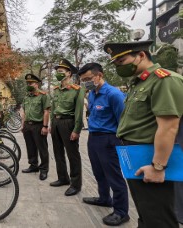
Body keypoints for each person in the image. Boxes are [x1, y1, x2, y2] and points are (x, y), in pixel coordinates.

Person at [104, 40, 183, 227]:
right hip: (137, 156)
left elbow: (169, 127)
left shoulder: (165, 80)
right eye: (115, 63)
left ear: (141, 55)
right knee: (146, 212)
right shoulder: (139, 82)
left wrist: (158, 167)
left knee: (158, 217)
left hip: (151, 157)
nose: (119, 67)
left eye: (121, 61)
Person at [78, 63, 129, 226]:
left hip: (109, 139)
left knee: (113, 176)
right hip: (93, 138)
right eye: (83, 80)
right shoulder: (92, 94)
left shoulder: (114, 94)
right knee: (98, 172)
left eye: (88, 78)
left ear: (99, 75)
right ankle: (104, 198)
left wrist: (119, 142)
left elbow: (123, 120)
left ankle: (121, 212)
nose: (85, 82)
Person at [49, 59, 84, 196]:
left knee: (72, 154)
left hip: (68, 123)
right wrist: (52, 124)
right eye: (57, 71)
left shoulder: (77, 90)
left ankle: (76, 184)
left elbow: (79, 111)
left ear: (69, 73)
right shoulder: (56, 90)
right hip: (56, 123)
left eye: (61, 71)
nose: (58, 74)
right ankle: (63, 177)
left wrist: (77, 129)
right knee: (58, 153)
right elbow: (53, 109)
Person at [21, 73, 50, 181]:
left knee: (42, 148)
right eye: (27, 83)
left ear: (37, 84)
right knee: (30, 147)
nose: (29, 84)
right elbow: (24, 111)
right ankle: (33, 166)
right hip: (28, 126)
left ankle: (44, 169)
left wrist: (45, 126)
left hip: (38, 125)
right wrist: (23, 124)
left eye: (31, 83)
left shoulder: (43, 95)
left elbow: (46, 111)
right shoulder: (26, 96)